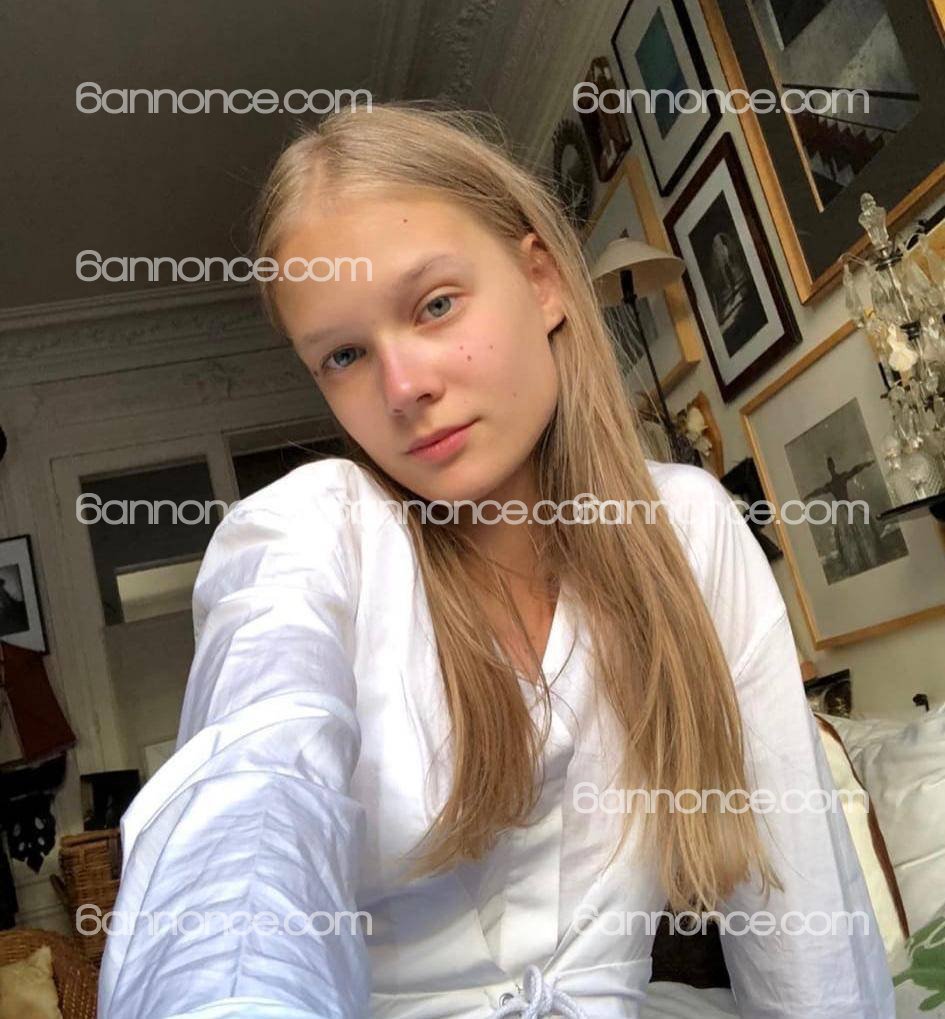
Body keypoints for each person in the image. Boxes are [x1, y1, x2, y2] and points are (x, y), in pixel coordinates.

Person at [97, 102, 895, 1018]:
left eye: (435, 304)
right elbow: (248, 805)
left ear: (542, 280)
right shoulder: (309, 534)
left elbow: (798, 902)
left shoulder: (688, 527)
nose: (403, 388)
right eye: (345, 354)